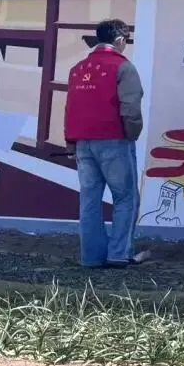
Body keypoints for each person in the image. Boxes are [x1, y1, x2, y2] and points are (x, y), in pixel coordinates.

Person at [64, 19, 144, 269]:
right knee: (125, 197)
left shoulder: (77, 68)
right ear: (120, 40)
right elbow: (131, 108)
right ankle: (118, 253)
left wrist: (70, 142)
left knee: (89, 199)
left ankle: (91, 257)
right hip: (113, 140)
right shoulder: (123, 67)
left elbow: (70, 107)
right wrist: (131, 134)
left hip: (82, 142)